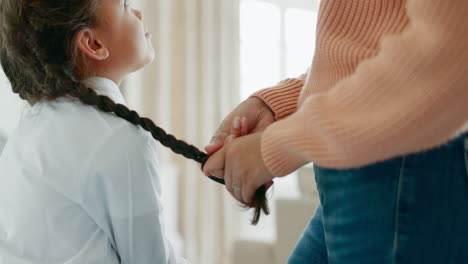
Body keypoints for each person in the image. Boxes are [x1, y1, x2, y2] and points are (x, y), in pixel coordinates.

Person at [203, 0, 468, 263]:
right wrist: (279, 106)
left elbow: (450, 51)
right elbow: (373, 38)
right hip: (366, 173)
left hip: (397, 168)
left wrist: (278, 145)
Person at [0, 0, 205, 263]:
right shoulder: (120, 138)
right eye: (125, 6)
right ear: (94, 44)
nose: (139, 13)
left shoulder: (28, 129)